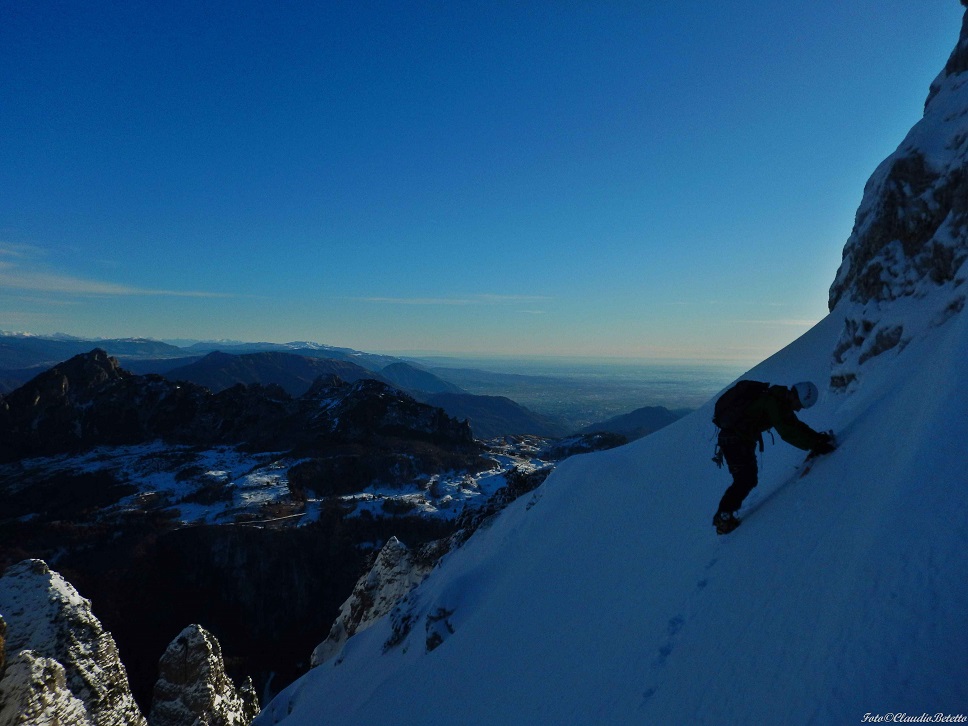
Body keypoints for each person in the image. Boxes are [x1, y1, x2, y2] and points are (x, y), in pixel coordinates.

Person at [711, 380, 835, 535]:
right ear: (797, 397)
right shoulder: (775, 402)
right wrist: (816, 444)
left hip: (738, 440)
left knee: (747, 478)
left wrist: (816, 439)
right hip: (735, 441)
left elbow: (793, 425)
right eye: (800, 405)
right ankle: (723, 517)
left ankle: (724, 515)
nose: (798, 410)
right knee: (746, 479)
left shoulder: (779, 399)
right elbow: (787, 432)